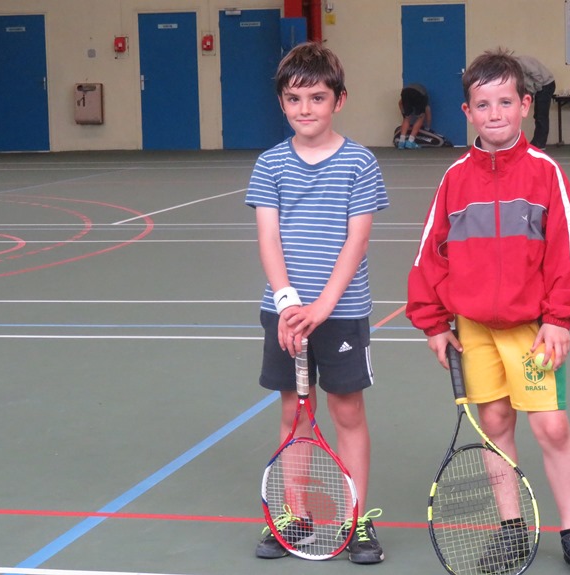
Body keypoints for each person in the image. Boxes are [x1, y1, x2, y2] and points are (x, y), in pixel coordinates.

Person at [406, 48, 570, 575]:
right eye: (482, 104)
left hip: (531, 331)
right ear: (467, 111)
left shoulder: (546, 174)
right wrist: (433, 323)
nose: (494, 113)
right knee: (495, 423)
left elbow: (569, 251)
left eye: (504, 102)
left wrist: (559, 318)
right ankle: (511, 528)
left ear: (524, 105)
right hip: (473, 330)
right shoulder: (454, 179)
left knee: (552, 428)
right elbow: (430, 253)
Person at [246, 41, 389, 564]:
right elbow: (269, 238)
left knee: (346, 410)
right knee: (294, 412)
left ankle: (357, 520)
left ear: (339, 100)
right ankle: (295, 515)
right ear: (281, 103)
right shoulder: (269, 164)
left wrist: (323, 307)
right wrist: (289, 303)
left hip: (341, 313)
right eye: (294, 99)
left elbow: (357, 241)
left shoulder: (360, 163)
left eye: (317, 98)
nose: (305, 109)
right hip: (285, 314)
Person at [515, 54, 556, 149]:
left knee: (541, 115)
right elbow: (527, 82)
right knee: (537, 115)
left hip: (546, 85)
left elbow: (537, 76)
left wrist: (535, 90)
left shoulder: (522, 62)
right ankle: (537, 141)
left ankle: (540, 143)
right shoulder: (516, 67)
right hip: (540, 87)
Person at [397, 83, 431, 149]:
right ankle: (410, 141)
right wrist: (428, 128)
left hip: (405, 92)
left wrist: (404, 114)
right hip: (418, 94)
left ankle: (401, 142)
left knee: (406, 118)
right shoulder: (424, 98)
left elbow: (400, 103)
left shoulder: (410, 89)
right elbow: (428, 113)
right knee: (421, 117)